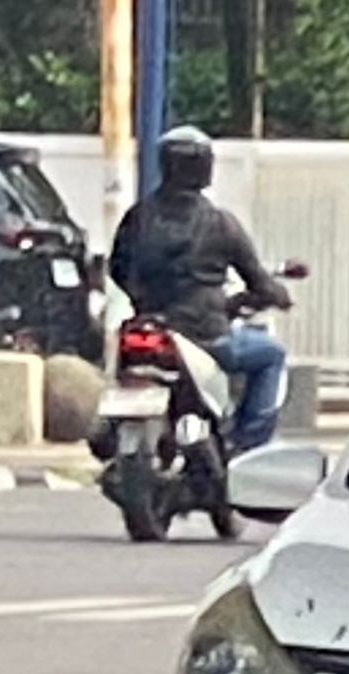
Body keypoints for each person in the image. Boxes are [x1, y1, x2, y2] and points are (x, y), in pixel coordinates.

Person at [109, 126, 292, 452]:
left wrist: (142, 300)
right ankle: (247, 444)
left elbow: (117, 269)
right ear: (205, 168)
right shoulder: (220, 223)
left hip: (150, 331)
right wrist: (278, 295)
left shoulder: (137, 218)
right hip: (207, 335)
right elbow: (259, 281)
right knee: (272, 356)